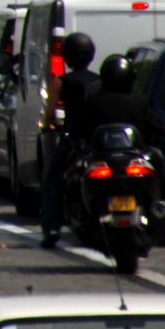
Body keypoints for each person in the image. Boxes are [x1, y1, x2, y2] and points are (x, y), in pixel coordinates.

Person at [40, 30, 101, 248]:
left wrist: (47, 126)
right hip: (95, 138)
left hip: (73, 137)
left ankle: (52, 227)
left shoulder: (61, 81)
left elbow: (49, 113)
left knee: (53, 180)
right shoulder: (99, 80)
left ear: (67, 56)